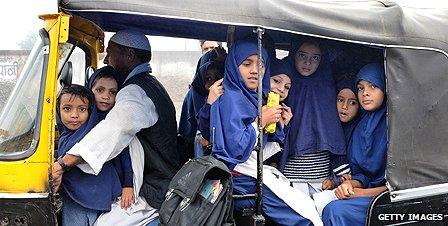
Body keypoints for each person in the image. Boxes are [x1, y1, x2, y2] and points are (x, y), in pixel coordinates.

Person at [52, 29, 181, 226]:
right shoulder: (151, 85)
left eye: (110, 53)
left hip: (153, 189)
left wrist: (62, 164)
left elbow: (115, 129)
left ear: (128, 55)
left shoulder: (135, 92)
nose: (106, 60)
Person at [209, 40, 322, 226]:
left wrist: (280, 127)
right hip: (239, 178)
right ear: (233, 65)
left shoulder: (251, 99)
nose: (255, 70)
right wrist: (260, 122)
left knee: (308, 207)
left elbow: (255, 154)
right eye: (247, 64)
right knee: (306, 218)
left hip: (250, 173)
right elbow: (236, 152)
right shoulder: (231, 99)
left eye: (260, 65)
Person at [322, 63, 388, 225]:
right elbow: (363, 175)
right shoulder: (361, 128)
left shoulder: (394, 126)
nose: (365, 93)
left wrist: (359, 193)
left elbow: (399, 185)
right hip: (366, 193)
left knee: (335, 211)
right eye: (360, 88)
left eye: (373, 86)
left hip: (388, 198)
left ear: (385, 90)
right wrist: (348, 184)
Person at [279, 39, 346, 196]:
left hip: (321, 179)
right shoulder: (284, 86)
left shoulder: (327, 88)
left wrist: (339, 171)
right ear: (293, 55)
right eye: (302, 55)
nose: (308, 62)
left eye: (315, 57)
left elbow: (334, 133)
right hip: (289, 176)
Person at [55, 85, 122, 226]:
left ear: (90, 112)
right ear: (58, 110)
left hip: (88, 199)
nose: (74, 115)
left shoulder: (94, 135)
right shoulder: (65, 135)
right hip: (76, 197)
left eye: (82, 109)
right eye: (67, 109)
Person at [88, 66, 135, 210]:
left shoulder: (118, 121)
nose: (106, 96)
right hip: (87, 184)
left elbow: (125, 152)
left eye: (113, 92)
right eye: (100, 90)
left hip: (113, 182)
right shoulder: (82, 118)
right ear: (90, 90)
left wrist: (128, 184)